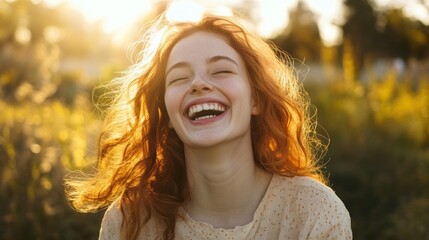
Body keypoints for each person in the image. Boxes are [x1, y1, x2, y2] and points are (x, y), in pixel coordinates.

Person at [66, 12, 352, 240]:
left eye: (222, 70)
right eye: (179, 78)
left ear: (256, 100)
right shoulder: (129, 221)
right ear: (166, 112)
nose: (199, 83)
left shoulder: (315, 213)